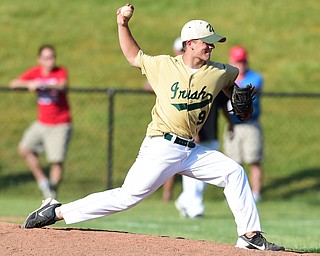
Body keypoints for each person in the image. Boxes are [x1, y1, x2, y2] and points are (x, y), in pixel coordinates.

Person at [21, 4, 284, 251]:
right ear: (190, 44)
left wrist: (240, 104)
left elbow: (232, 92)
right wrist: (122, 23)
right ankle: (56, 211)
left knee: (234, 172)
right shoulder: (164, 66)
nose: (211, 47)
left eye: (212, 43)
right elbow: (134, 55)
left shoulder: (221, 71)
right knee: (127, 198)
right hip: (161, 146)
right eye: (207, 42)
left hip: (191, 150)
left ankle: (249, 237)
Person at [9, 45, 72, 199]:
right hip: (42, 122)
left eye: (52, 57)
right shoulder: (35, 72)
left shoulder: (60, 71)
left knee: (56, 161)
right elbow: (13, 83)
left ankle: (51, 194)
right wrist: (28, 84)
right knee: (24, 149)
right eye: (46, 58)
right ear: (40, 60)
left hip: (60, 123)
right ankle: (43, 182)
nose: (50, 61)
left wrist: (42, 84)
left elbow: (62, 84)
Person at [175, 91, 232, 218]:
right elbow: (185, 109)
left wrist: (231, 123)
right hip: (193, 134)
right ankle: (195, 208)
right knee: (192, 172)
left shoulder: (217, 80)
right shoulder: (193, 82)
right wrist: (193, 132)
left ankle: (184, 200)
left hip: (211, 133)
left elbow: (223, 106)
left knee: (209, 171)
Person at [145, 36, 184, 202]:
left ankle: (179, 199)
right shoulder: (168, 66)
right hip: (164, 133)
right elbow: (148, 84)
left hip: (187, 136)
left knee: (234, 171)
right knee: (130, 194)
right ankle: (59, 212)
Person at [223, 46, 264, 202]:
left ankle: (256, 194)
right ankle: (235, 194)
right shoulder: (227, 77)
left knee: (254, 159)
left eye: (243, 61)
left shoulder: (254, 77)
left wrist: (229, 85)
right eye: (237, 62)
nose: (241, 65)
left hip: (250, 124)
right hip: (233, 125)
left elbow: (247, 90)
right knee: (232, 162)